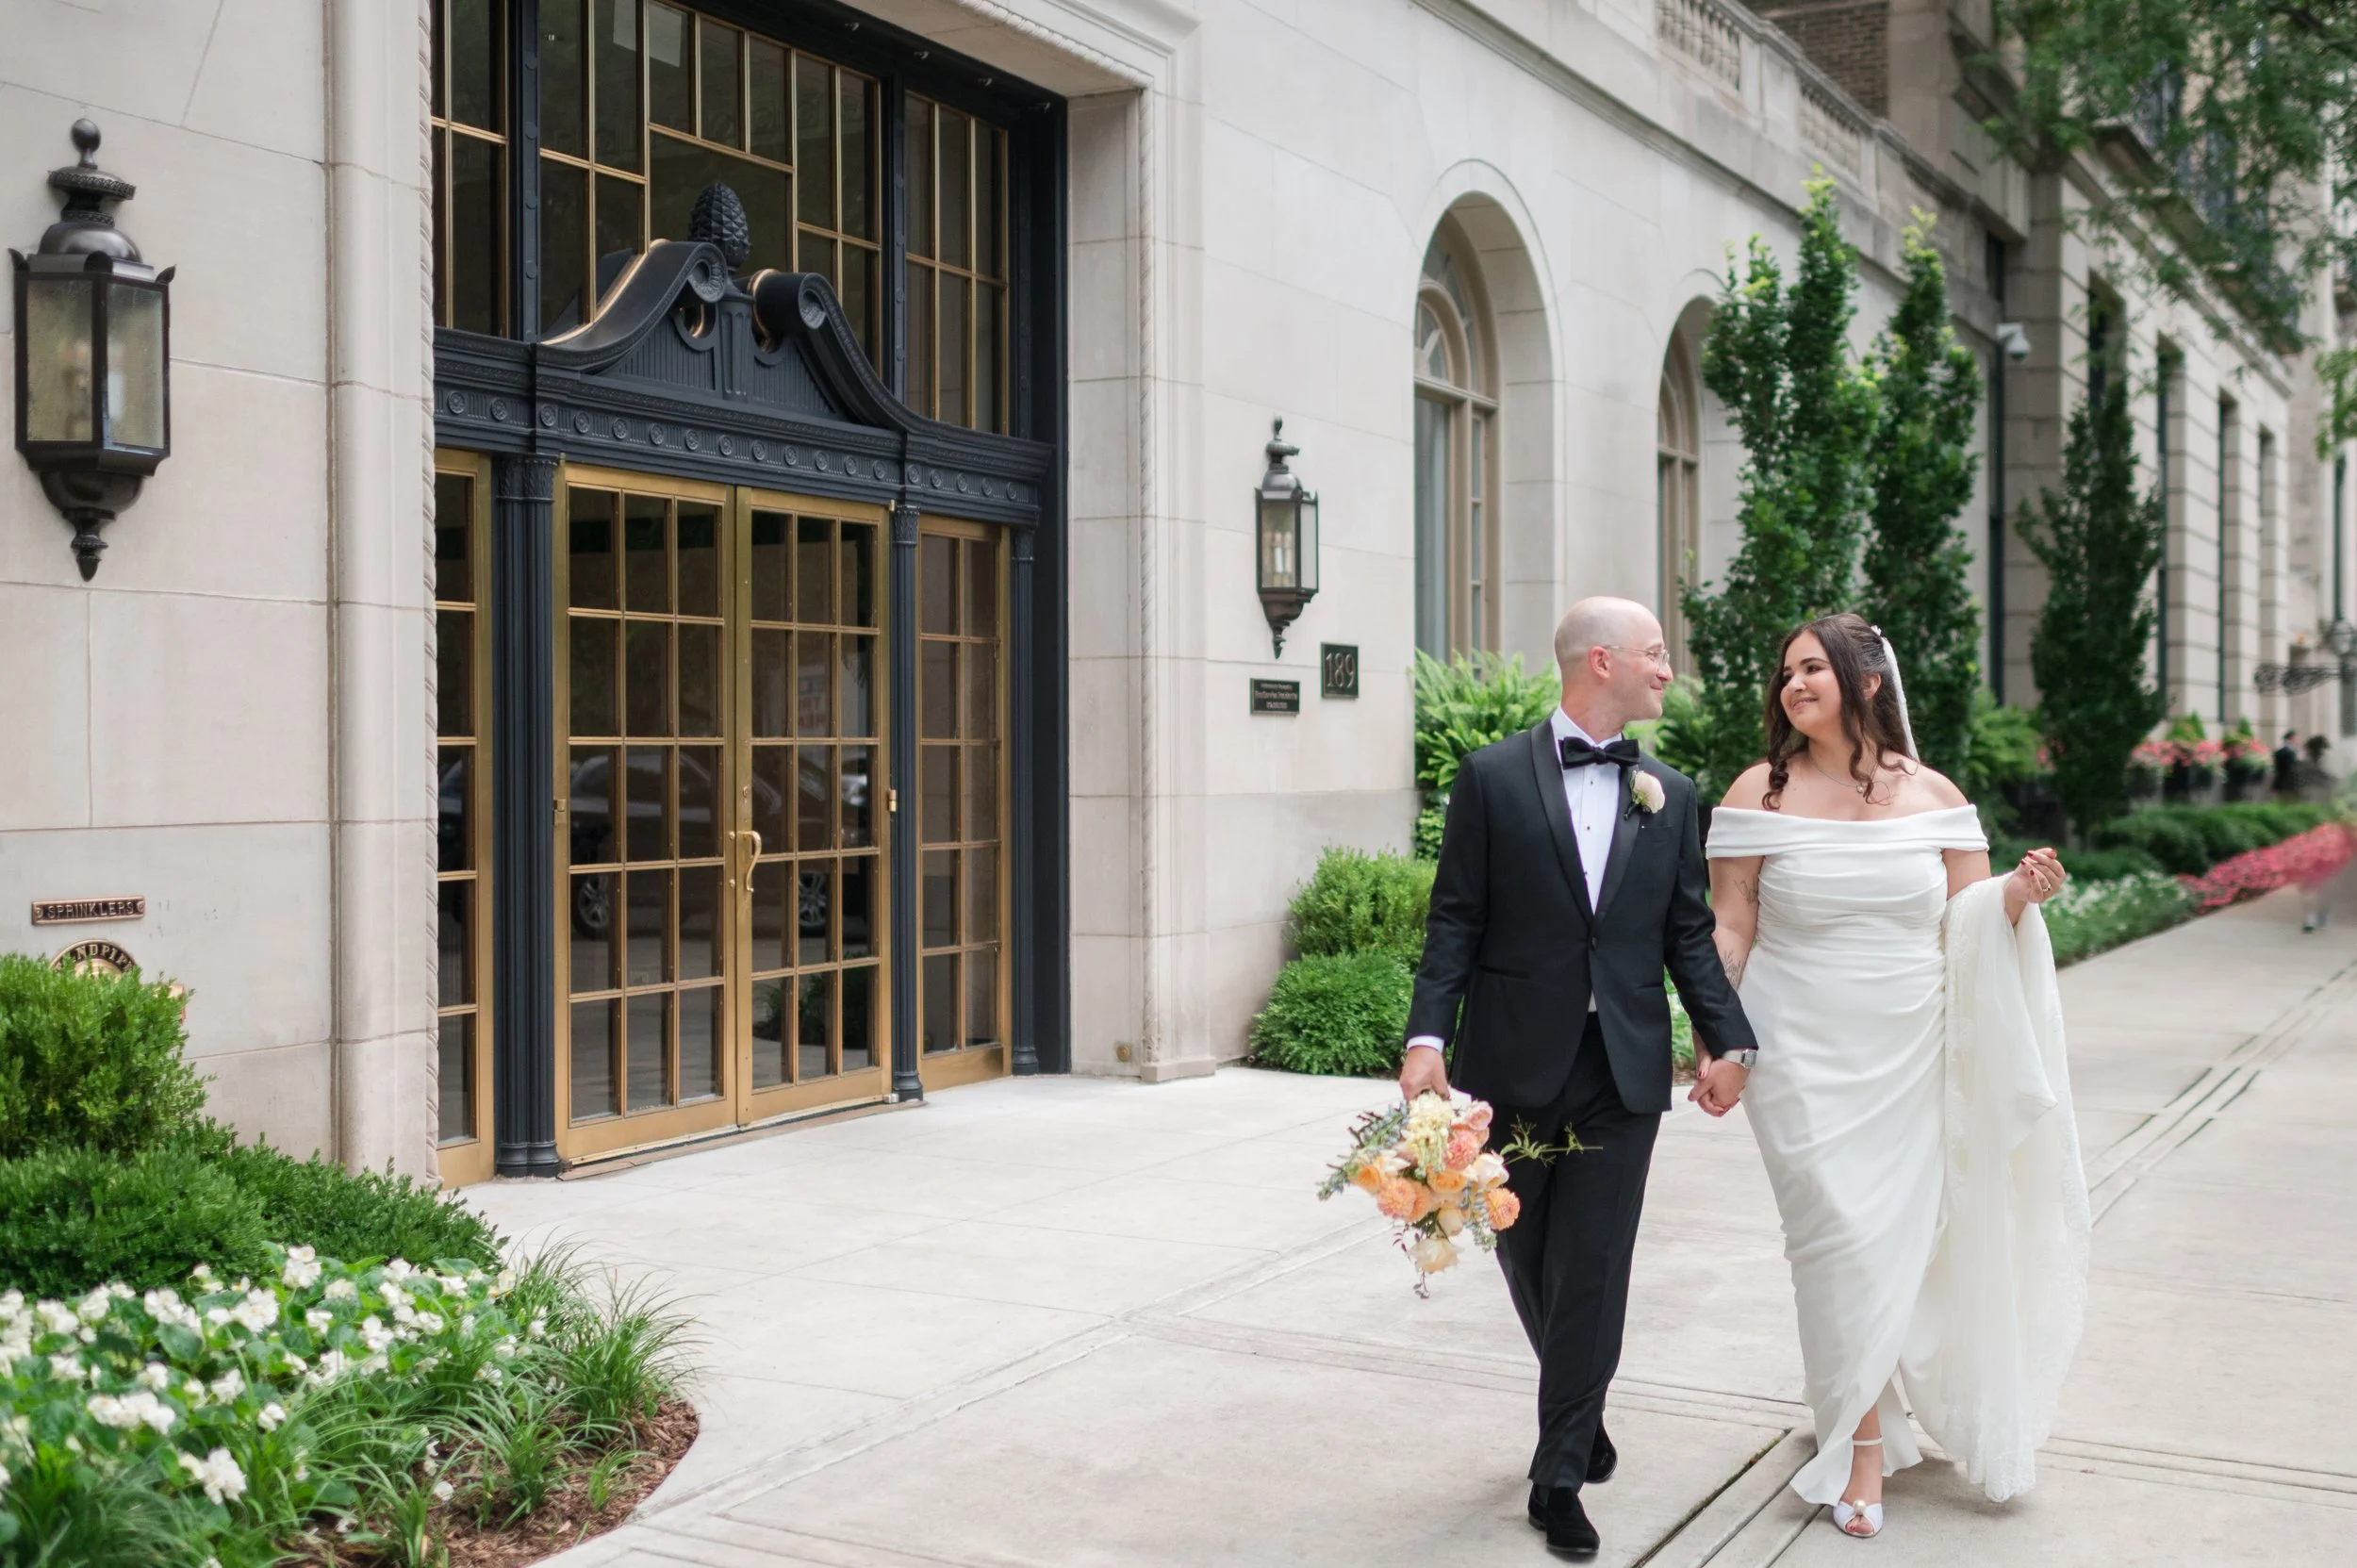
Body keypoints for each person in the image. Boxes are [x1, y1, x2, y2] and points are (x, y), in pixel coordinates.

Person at [1705, 613, 2089, 1540]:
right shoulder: (1761, 788)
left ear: (1866, 681)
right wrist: (1717, 1038)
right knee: (1834, 1238)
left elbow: (1968, 920)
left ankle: (1867, 1416)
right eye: (1785, 669)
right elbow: (1730, 925)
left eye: (1812, 668)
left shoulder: (1934, 796)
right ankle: (1862, 1445)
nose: (1793, 683)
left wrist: (2018, 897)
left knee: (1893, 1244)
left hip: (1909, 1047)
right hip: (1794, 1045)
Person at [1399, 597, 1759, 1560]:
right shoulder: (1489, 779)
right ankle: (1581, 1409)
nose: (1666, 669)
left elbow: (1687, 932)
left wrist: (1727, 1042)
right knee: (1527, 1258)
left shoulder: (1671, 796)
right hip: (1510, 1063)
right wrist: (1426, 1037)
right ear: (1600, 661)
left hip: (1622, 1070)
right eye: (1654, 653)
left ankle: (1556, 1475)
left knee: (1592, 1269)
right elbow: (1455, 923)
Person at [2275, 730, 2302, 799]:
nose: (2298, 742)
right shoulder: (2289, 753)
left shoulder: (2280, 752)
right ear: (2292, 739)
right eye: (2297, 739)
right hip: (2289, 784)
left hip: (2282, 784)